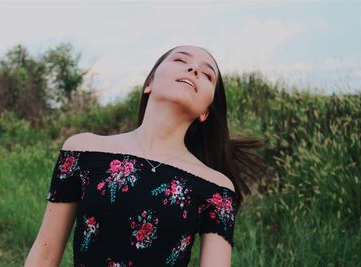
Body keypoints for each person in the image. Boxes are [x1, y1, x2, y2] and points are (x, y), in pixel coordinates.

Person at [25, 45, 267, 267]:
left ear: (205, 112)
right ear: (149, 83)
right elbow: (45, 255)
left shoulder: (216, 188)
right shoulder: (82, 150)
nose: (194, 69)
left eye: (207, 75)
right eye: (181, 59)